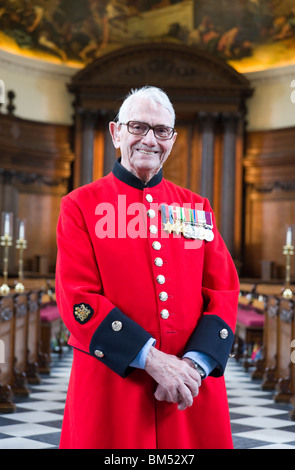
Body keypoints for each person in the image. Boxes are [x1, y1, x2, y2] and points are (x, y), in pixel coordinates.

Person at [55, 86, 239, 449]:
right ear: (116, 132)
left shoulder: (195, 207)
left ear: (172, 138)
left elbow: (224, 290)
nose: (149, 140)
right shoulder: (80, 206)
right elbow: (78, 299)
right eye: (138, 127)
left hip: (188, 386)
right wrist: (153, 360)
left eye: (161, 130)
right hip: (114, 383)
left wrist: (193, 367)